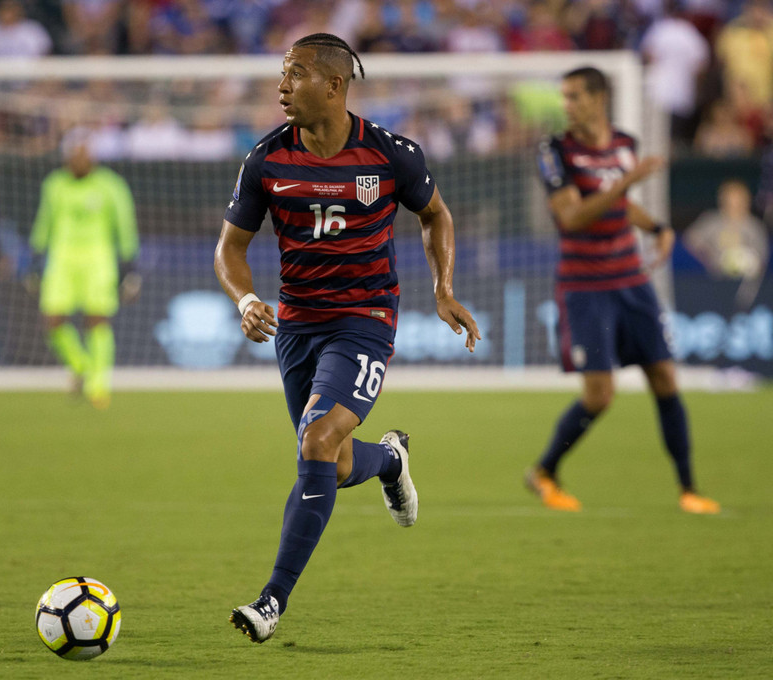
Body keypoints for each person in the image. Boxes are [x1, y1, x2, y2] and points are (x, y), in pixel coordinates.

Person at [214, 33, 480, 644]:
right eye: (282, 75)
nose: (282, 86)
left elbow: (435, 213)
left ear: (334, 85)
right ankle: (390, 459)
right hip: (297, 324)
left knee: (317, 440)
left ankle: (271, 600)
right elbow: (230, 247)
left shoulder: (390, 155)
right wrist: (248, 299)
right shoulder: (266, 160)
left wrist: (442, 288)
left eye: (295, 74)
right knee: (327, 460)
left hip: (365, 318)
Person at [526, 66, 720, 515]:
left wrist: (656, 226)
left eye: (574, 96)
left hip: (631, 278)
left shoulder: (624, 144)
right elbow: (571, 217)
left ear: (598, 98)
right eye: (565, 97)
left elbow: (620, 203)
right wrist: (626, 183)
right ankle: (544, 471)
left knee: (665, 378)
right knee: (600, 396)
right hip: (584, 285)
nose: (567, 106)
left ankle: (689, 489)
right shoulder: (554, 150)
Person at [30, 128, 140, 408]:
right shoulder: (54, 184)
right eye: (75, 154)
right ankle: (80, 365)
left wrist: (130, 267)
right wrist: (33, 259)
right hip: (61, 259)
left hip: (97, 260)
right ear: (67, 156)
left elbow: (125, 227)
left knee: (97, 319)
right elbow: (45, 223)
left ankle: (98, 385)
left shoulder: (110, 185)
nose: (79, 159)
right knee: (52, 319)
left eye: (84, 153)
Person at [684, 178, 769, 309]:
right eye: (730, 200)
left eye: (738, 200)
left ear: (746, 201)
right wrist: (709, 258)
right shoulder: (711, 221)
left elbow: (762, 255)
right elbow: (691, 239)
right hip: (713, 283)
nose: (734, 205)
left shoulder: (754, 227)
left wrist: (749, 262)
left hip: (745, 286)